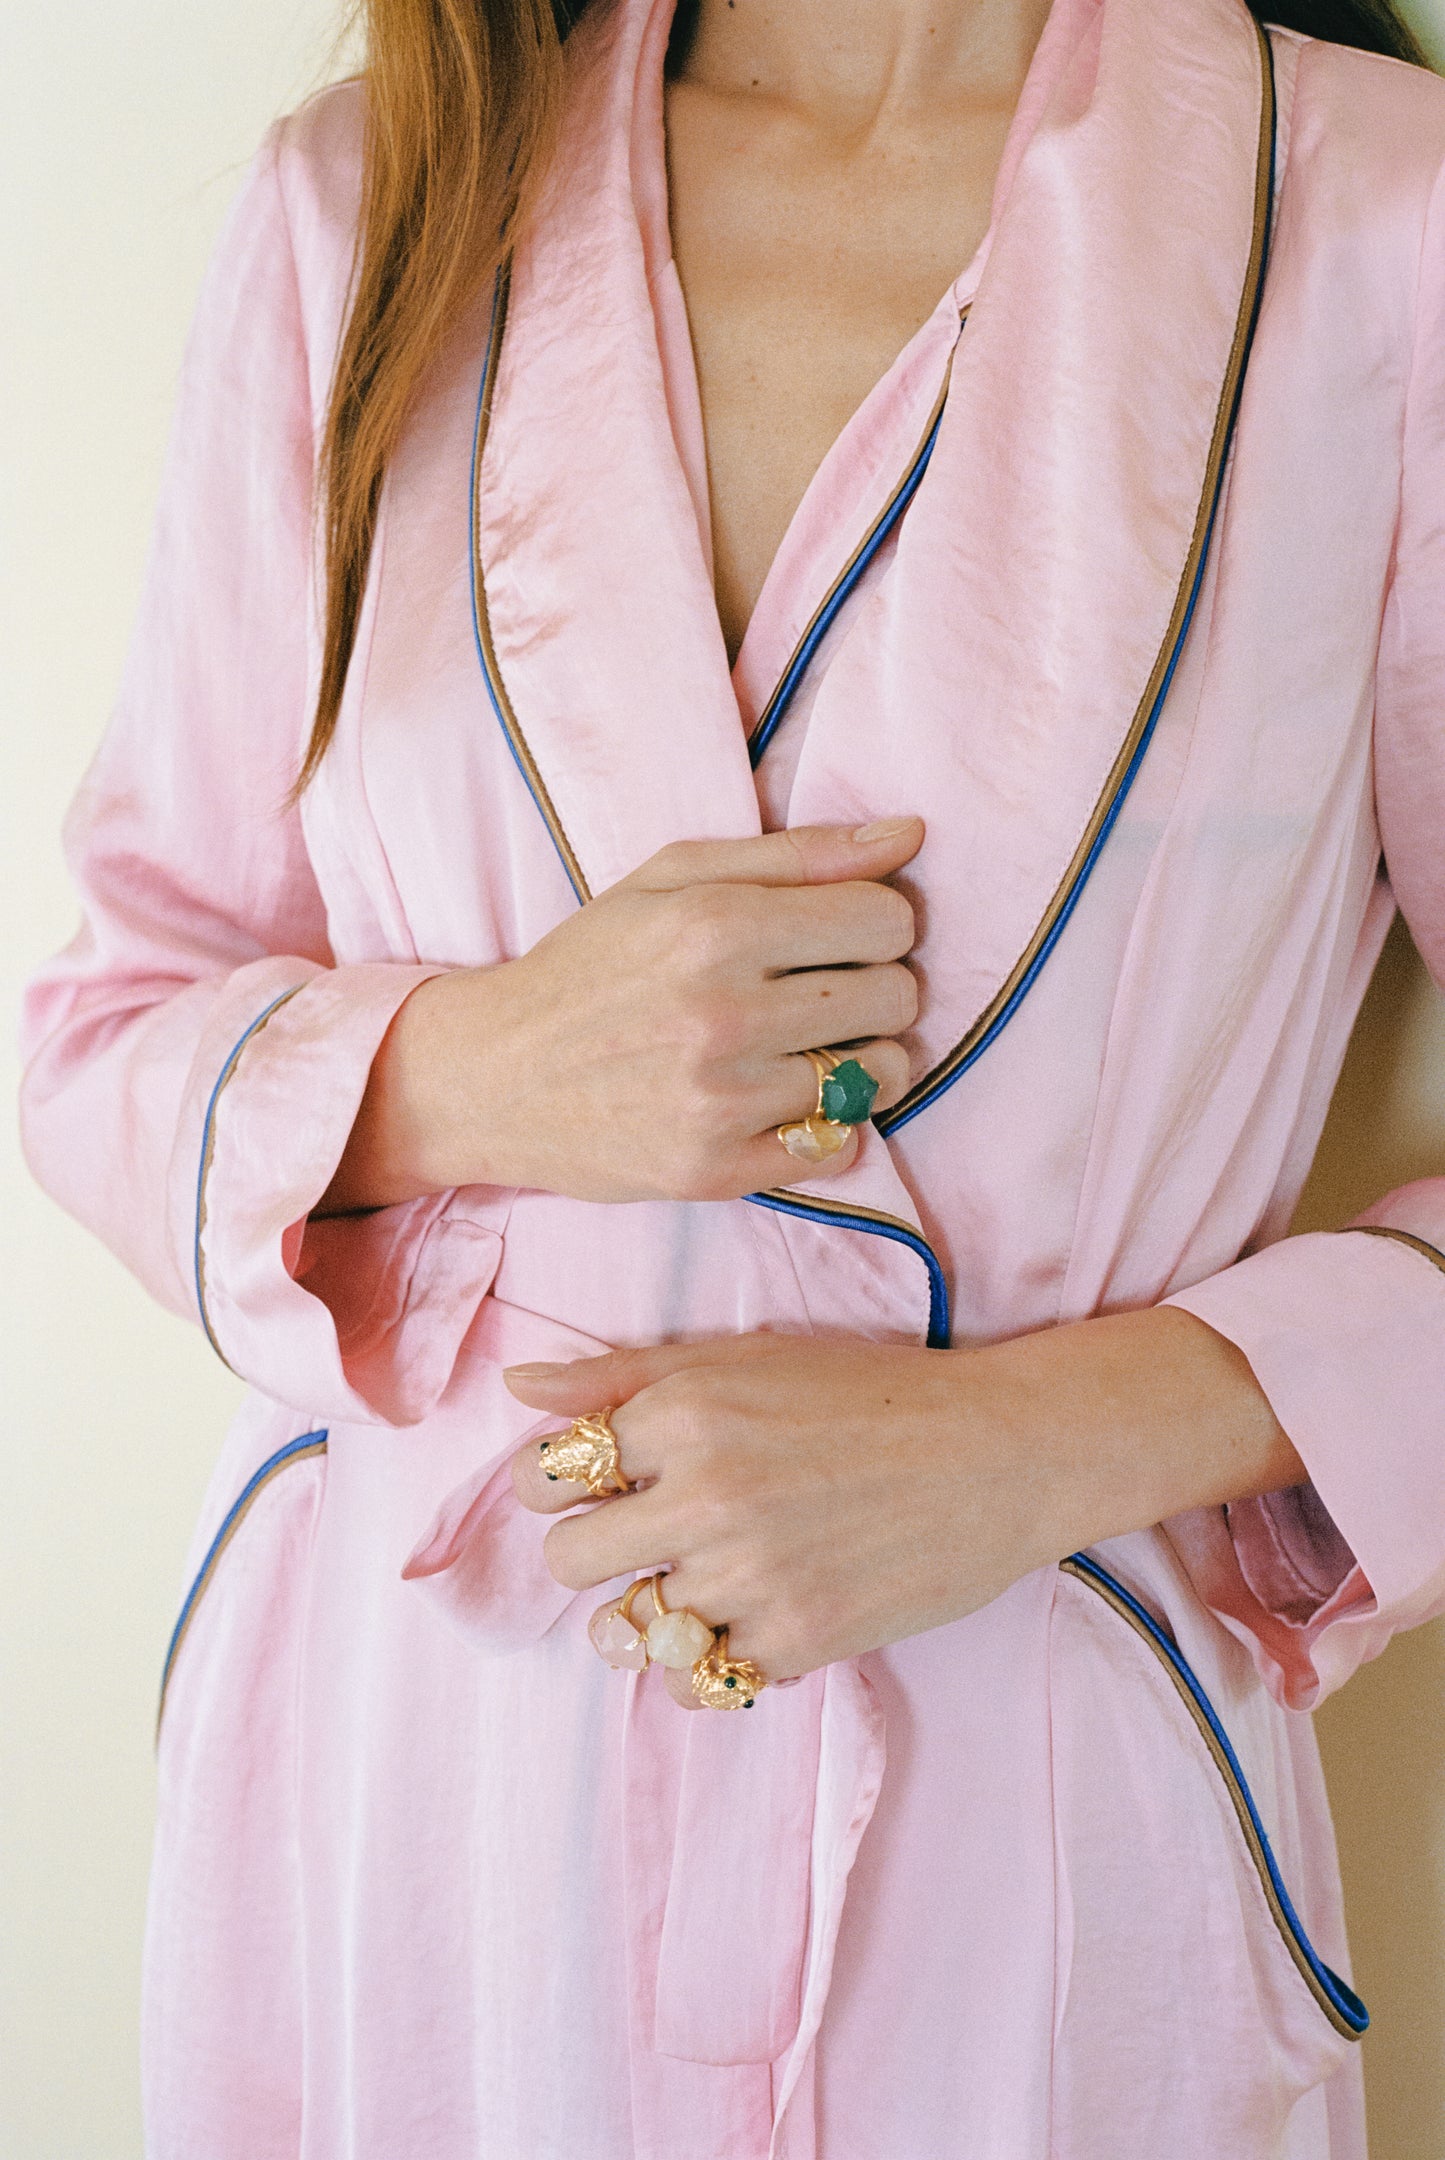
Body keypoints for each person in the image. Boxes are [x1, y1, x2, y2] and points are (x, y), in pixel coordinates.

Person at [19, 0, 1445, 2149]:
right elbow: (111, 1031)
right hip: (422, 1820)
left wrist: (1036, 1444)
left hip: (1037, 1832)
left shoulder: (1379, 234)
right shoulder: (372, 208)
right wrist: (482, 1068)